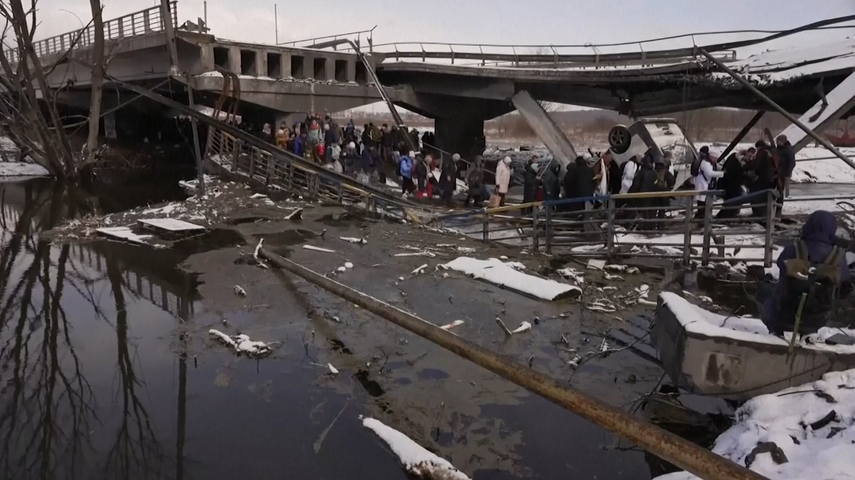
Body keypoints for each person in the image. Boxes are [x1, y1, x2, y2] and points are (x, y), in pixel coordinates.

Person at [761, 210, 852, 335]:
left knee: (764, 290)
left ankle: (775, 331)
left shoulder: (794, 249)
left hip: (784, 317)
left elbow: (781, 269)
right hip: (818, 320)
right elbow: (845, 285)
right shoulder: (838, 258)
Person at [693, 146, 724, 220]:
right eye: (715, 158)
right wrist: (722, 174)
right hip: (702, 185)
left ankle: (702, 218)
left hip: (705, 185)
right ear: (711, 157)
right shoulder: (705, 163)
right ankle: (700, 218)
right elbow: (709, 173)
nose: (716, 160)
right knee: (701, 203)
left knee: (704, 203)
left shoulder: (710, 163)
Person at [716, 153, 746, 219]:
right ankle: (728, 215)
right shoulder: (735, 165)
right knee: (733, 201)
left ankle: (726, 215)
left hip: (728, 186)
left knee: (731, 202)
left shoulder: (730, 163)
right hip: (731, 187)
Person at [652, 159, 676, 227]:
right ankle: (661, 224)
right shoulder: (666, 173)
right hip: (664, 193)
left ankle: (652, 224)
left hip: (654, 193)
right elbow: (672, 182)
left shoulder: (653, 172)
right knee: (662, 210)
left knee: (653, 210)